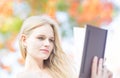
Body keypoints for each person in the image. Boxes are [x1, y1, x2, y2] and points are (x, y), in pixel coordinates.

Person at [16, 15, 112, 78]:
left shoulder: (62, 72)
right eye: (41, 38)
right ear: (24, 40)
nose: (47, 44)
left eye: (51, 40)